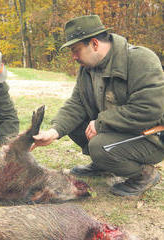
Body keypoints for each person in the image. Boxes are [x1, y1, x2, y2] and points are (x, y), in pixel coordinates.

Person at [32, 15, 164, 197]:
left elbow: (149, 110)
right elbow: (76, 103)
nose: (73, 57)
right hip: (121, 130)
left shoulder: (141, 60)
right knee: (74, 125)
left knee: (99, 147)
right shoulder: (87, 69)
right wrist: (54, 132)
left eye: (76, 50)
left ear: (94, 44)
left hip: (151, 136)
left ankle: (144, 175)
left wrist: (100, 122)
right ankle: (104, 164)